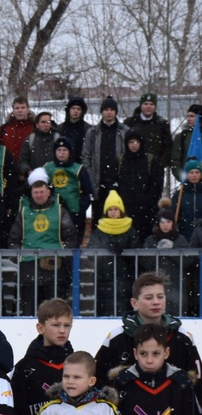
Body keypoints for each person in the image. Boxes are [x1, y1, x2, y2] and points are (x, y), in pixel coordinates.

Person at [95, 272, 201, 387]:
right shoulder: (116, 338)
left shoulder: (183, 337)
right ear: (134, 303)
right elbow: (97, 381)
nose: (156, 302)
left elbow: (198, 383)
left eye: (160, 296)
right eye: (149, 297)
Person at [9, 168, 77, 315]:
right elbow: (14, 237)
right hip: (28, 266)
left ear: (48, 192)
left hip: (54, 266)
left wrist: (62, 255)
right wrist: (17, 256)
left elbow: (71, 237)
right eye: (36, 192)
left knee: (55, 310)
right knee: (29, 309)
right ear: (31, 193)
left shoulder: (60, 210)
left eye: (42, 192)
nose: (39, 195)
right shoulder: (24, 212)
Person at [90, 191, 139, 317]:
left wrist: (126, 249)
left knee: (124, 311)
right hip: (104, 277)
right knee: (104, 311)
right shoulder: (99, 230)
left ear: (121, 211)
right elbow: (91, 250)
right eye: (110, 209)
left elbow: (136, 247)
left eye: (115, 209)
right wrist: (105, 250)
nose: (112, 212)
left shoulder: (129, 228)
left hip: (125, 276)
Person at [83, 97, 129, 224]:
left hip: (117, 180)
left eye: (112, 109)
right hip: (98, 180)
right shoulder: (93, 132)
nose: (109, 112)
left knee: (119, 214)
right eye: (106, 109)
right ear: (102, 112)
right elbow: (86, 155)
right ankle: (98, 243)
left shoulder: (124, 131)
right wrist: (89, 174)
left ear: (116, 112)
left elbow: (128, 155)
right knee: (99, 217)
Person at [124, 92, 172, 188]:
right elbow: (124, 144)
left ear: (155, 107)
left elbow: (168, 146)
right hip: (133, 168)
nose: (148, 107)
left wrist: (160, 163)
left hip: (155, 169)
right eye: (146, 104)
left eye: (151, 104)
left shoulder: (162, 124)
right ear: (141, 105)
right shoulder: (130, 123)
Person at [170, 159, 202, 243]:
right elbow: (172, 215)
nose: (194, 175)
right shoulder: (180, 194)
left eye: (197, 172)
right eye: (191, 172)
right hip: (184, 237)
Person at [0, 96, 35, 166]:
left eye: (23, 107)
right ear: (13, 110)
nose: (20, 110)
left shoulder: (36, 128)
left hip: (30, 171)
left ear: (28, 110)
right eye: (17, 108)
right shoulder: (4, 129)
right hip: (9, 170)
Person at [58, 97, 90, 162]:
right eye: (73, 108)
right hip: (63, 166)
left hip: (81, 166)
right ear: (68, 110)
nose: (75, 111)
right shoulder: (60, 128)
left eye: (79, 109)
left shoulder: (88, 129)